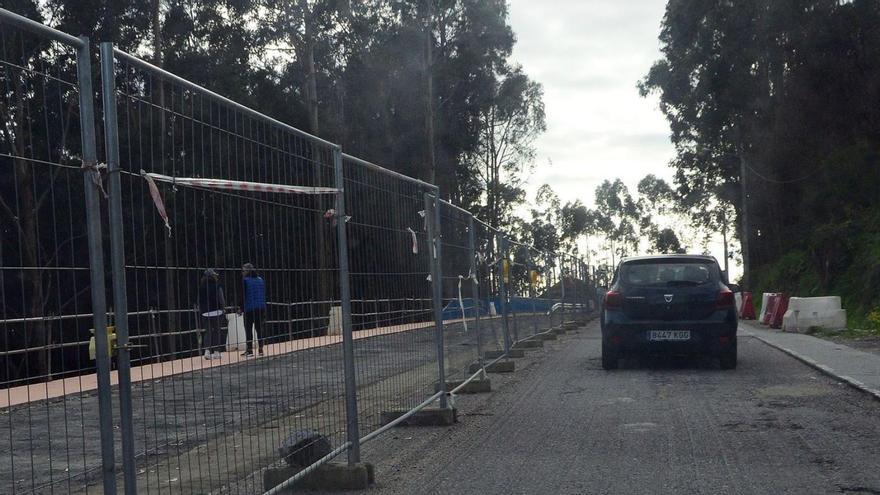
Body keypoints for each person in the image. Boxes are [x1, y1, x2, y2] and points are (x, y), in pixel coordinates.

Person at [198, 269, 226, 360]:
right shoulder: (217, 286)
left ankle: (207, 351)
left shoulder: (201, 287)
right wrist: (223, 307)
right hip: (217, 311)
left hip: (205, 312)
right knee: (217, 331)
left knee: (208, 332)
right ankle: (216, 352)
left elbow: (199, 300)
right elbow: (221, 298)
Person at [239, 262, 266, 357]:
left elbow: (243, 295)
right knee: (259, 329)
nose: (242, 272)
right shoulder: (260, 279)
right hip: (260, 308)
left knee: (248, 329)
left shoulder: (245, 281)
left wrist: (240, 308)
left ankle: (249, 350)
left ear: (247, 271)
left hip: (249, 308)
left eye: (243, 270)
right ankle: (261, 349)